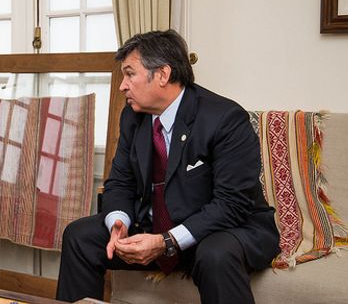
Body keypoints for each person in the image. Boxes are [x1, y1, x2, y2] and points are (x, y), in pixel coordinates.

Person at [56, 30, 280, 304]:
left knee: (215, 254)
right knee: (80, 236)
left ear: (162, 74)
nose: (122, 86)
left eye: (130, 74)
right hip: (157, 228)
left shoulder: (225, 118)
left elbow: (231, 205)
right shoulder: (132, 116)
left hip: (225, 229)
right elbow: (120, 182)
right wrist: (119, 222)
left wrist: (166, 242)